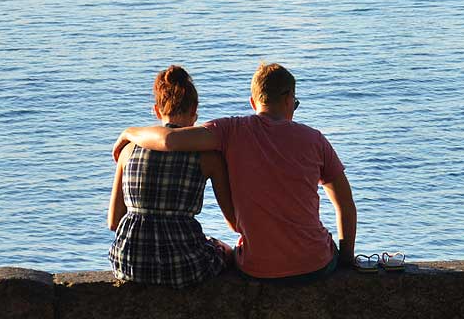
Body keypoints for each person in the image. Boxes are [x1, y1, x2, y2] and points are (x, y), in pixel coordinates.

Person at [113, 62, 356, 283]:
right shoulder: (315, 140)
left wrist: (128, 133)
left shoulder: (230, 131)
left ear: (253, 102)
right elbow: (345, 205)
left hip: (256, 267)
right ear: (289, 99)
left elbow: (169, 140)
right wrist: (345, 261)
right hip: (315, 265)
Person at [108, 65, 236, 288]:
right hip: (184, 266)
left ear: (157, 110)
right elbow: (233, 221)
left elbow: (113, 222)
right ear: (195, 109)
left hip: (128, 262)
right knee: (226, 250)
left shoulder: (127, 152)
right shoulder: (208, 158)